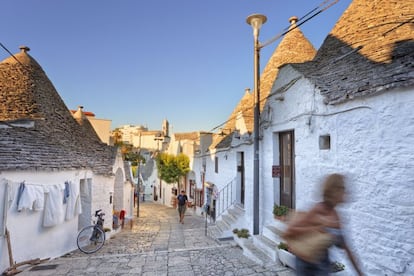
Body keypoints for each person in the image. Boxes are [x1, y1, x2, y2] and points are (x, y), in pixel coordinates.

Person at [283, 173, 363, 276]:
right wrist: (318, 227)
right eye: (343, 189)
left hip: (322, 266)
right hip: (306, 265)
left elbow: (346, 248)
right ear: (335, 191)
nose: (347, 193)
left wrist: (360, 272)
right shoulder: (319, 210)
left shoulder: (337, 217)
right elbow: (290, 230)